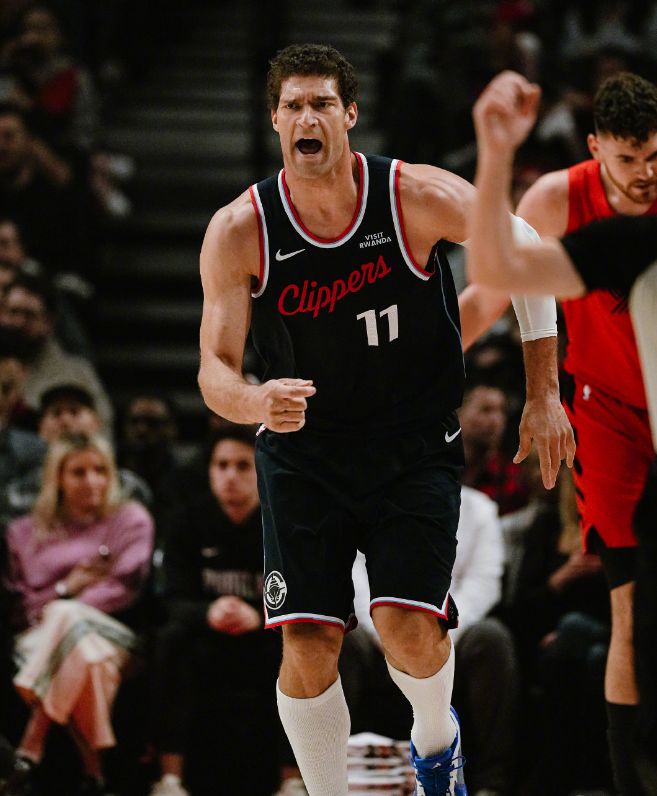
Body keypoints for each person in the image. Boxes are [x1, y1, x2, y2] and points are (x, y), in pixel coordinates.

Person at [198, 43, 573, 796]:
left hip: (411, 444)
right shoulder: (241, 229)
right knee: (307, 645)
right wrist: (254, 401)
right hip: (305, 453)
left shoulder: (411, 195)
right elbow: (213, 370)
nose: (307, 117)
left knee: (407, 630)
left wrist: (543, 394)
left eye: (322, 103)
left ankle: (438, 747)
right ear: (275, 119)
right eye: (294, 105)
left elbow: (525, 248)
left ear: (349, 115)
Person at [467, 68, 657, 796]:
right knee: (628, 610)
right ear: (595, 149)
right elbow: (495, 280)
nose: (643, 174)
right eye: (628, 159)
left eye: (654, 158)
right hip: (608, 414)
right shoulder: (566, 205)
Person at [2, 431, 154, 795]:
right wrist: (64, 588)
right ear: (57, 478)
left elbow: (125, 588)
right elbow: (20, 605)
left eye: (100, 470)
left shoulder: (131, 520)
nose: (92, 481)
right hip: (42, 639)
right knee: (85, 656)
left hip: (114, 633)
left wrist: (62, 603)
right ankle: (94, 771)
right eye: (79, 472)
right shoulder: (24, 532)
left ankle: (30, 746)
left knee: (67, 617)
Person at [148, 424, 279, 796]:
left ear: (262, 469)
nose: (230, 475)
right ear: (209, 471)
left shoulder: (280, 522)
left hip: (266, 635)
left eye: (242, 465)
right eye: (221, 465)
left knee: (299, 643)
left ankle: (292, 780)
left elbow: (303, 594)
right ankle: (170, 778)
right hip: (205, 635)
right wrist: (209, 611)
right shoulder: (187, 521)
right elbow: (172, 600)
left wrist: (258, 614)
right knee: (170, 641)